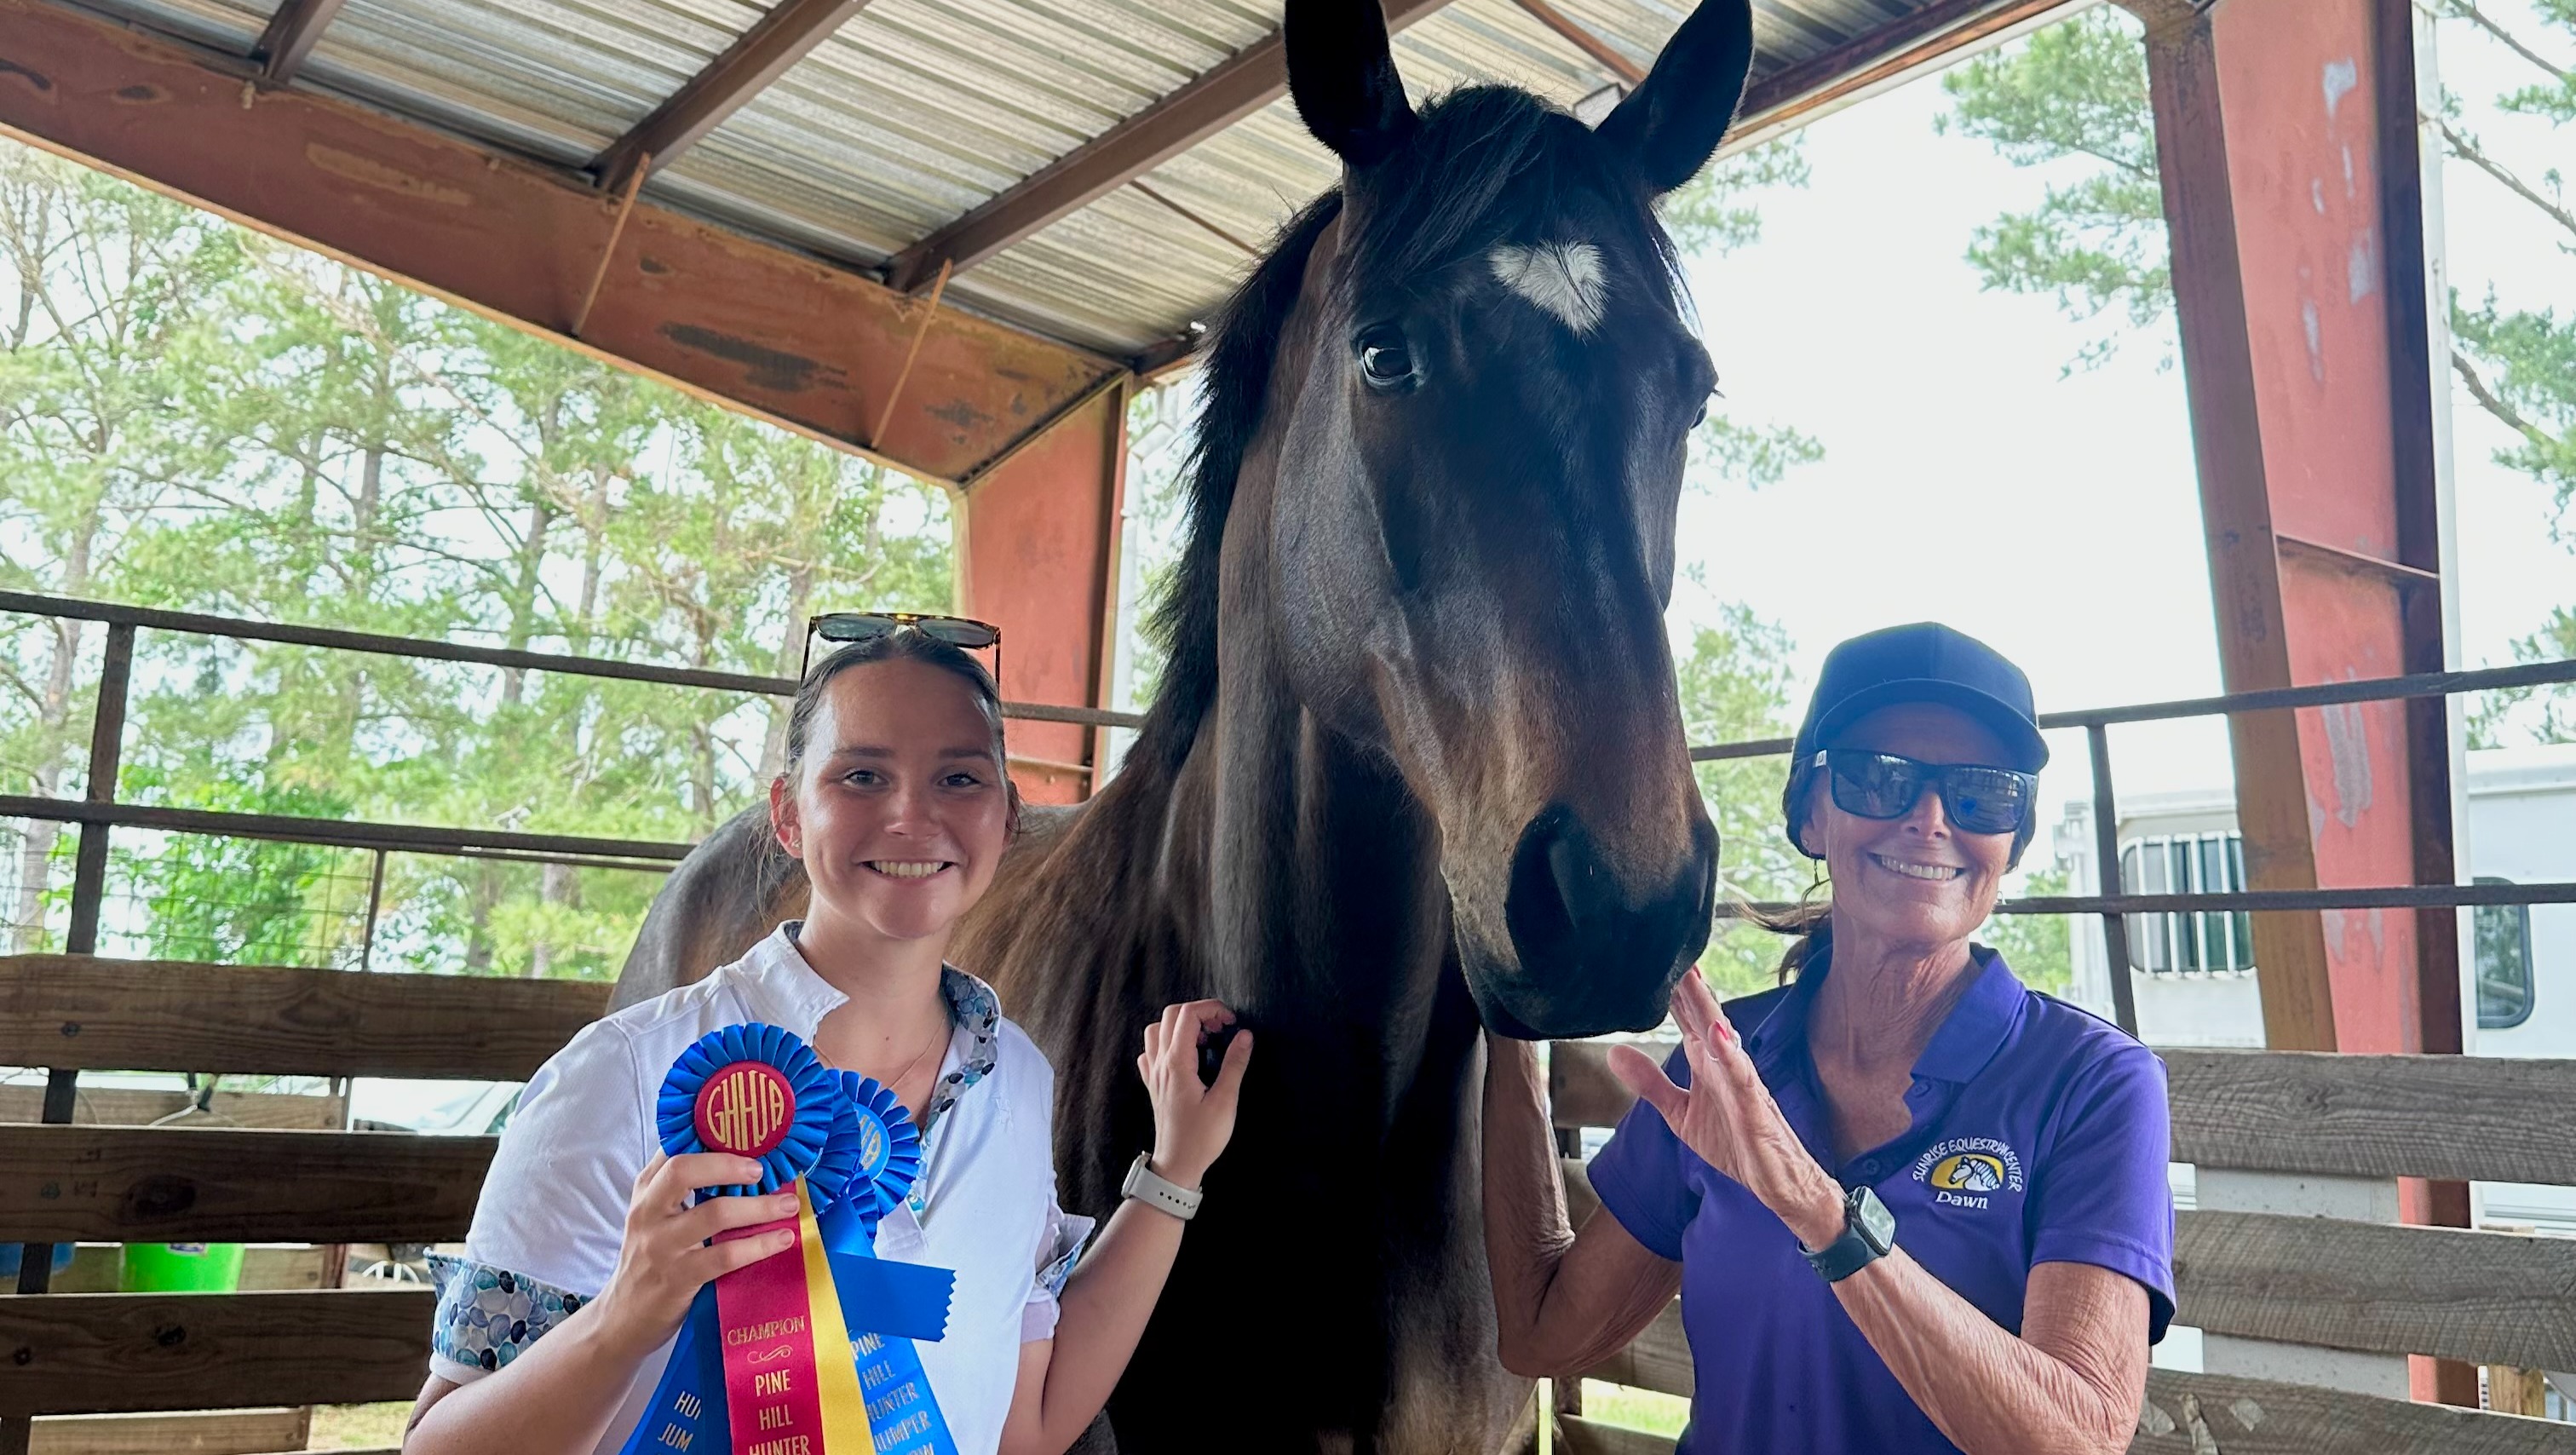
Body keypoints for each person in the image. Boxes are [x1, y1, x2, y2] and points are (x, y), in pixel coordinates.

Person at [405, 619, 1255, 1455]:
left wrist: (1175, 1171)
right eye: (862, 776)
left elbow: (1023, 1427)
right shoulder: (623, 1073)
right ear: (788, 813)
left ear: (1007, 817)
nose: (912, 816)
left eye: (960, 778)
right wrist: (622, 1319)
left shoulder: (1017, 1083)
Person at [1482, 622, 2172, 1455]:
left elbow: (2078, 1439)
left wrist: (1816, 1209)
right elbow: (1544, 1336)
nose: (1929, 818)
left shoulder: (2092, 1083)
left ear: (2014, 840)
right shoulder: (1724, 1061)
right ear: (1810, 814)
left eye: (1983, 793)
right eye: (1879, 778)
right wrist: (1508, 1020)